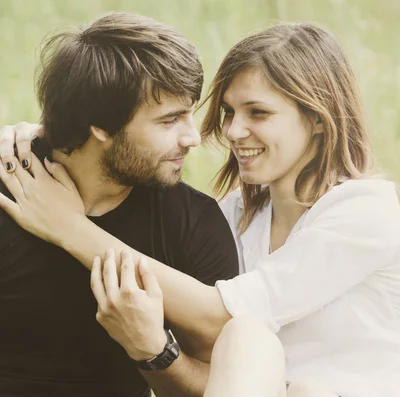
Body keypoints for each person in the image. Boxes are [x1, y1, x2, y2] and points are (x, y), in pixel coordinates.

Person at [0, 22, 400, 397]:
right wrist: (53, 133)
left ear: (319, 118)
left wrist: (69, 227)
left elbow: (225, 315)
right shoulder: (233, 217)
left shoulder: (363, 213)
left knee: (253, 341)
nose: (232, 130)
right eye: (229, 111)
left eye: (258, 112)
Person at [0, 12, 239, 397]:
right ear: (100, 125)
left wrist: (154, 352)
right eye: (169, 121)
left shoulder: (193, 222)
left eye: (189, 114)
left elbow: (220, 385)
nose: (192, 138)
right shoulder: (8, 190)